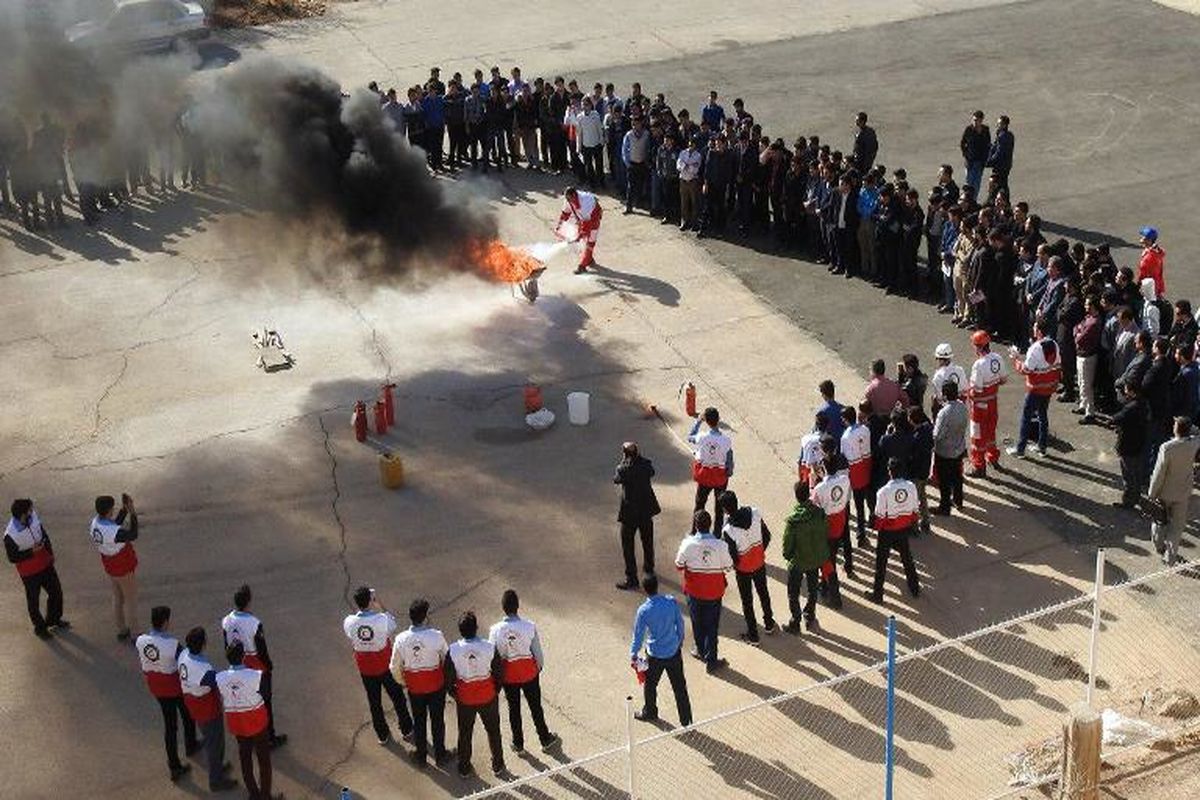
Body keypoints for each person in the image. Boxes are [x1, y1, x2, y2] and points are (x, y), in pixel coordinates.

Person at [489, 590, 559, 752]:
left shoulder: (495, 630)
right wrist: (538, 668)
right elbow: (538, 653)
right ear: (518, 606)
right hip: (529, 673)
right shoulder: (529, 626)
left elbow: (494, 656)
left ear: (503, 608)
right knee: (535, 707)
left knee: (514, 709)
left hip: (509, 676)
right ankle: (544, 738)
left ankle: (518, 743)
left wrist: (497, 677)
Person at [343, 586, 413, 745]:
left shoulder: (349, 622)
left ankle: (382, 734)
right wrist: (378, 603)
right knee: (397, 697)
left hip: (365, 669)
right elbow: (392, 623)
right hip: (384, 666)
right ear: (370, 600)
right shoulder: (381, 620)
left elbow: (352, 633)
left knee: (374, 702)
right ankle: (406, 728)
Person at [136, 606, 199, 782]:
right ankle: (191, 744)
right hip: (174, 686)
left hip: (156, 688)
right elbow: (185, 661)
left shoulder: (141, 640)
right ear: (165, 622)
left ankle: (174, 764)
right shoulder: (172, 644)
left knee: (170, 725)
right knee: (186, 715)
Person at [222, 585, 286, 748]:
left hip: (237, 663)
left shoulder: (226, 620)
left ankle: (248, 736)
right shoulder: (254, 623)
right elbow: (261, 648)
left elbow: (226, 644)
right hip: (256, 665)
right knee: (264, 702)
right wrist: (268, 665)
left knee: (244, 700)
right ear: (249, 602)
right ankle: (268, 737)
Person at [390, 599, 450, 768]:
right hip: (436, 686)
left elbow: (394, 666)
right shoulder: (436, 636)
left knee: (419, 720)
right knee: (437, 720)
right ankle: (441, 755)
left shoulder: (401, 639)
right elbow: (447, 659)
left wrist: (404, 682)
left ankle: (421, 755)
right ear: (425, 618)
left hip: (415, 688)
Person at [179, 627, 239, 793]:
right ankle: (216, 779)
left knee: (210, 738)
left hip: (194, 703)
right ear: (203, 644)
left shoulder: (184, 656)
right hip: (207, 708)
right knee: (215, 742)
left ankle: (217, 768)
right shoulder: (202, 669)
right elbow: (218, 683)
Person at [445, 611, 505, 777]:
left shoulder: (453, 650)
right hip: (487, 695)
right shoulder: (489, 647)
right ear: (477, 628)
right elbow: (499, 673)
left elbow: (448, 679)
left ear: (460, 630)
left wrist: (456, 695)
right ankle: (498, 764)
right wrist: (495, 690)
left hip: (465, 698)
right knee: (493, 730)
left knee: (465, 733)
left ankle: (464, 767)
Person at [217, 643, 278, 800]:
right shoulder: (255, 675)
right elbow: (265, 694)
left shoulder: (220, 677)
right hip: (256, 721)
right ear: (243, 656)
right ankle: (265, 796)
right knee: (263, 760)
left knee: (245, 758)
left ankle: (253, 794)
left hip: (237, 722)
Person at [675, 510, 733, 673]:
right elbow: (728, 567)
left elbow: (679, 564)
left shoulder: (687, 543)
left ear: (696, 526)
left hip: (694, 592)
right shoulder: (721, 546)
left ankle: (700, 650)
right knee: (712, 626)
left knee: (697, 622)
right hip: (714, 592)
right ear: (710, 525)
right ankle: (711, 660)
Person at [630, 575, 692, 726]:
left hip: (655, 655)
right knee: (679, 687)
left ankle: (650, 712)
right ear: (657, 586)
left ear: (645, 590)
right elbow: (680, 623)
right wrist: (679, 640)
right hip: (673, 652)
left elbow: (638, 634)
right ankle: (686, 721)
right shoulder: (671, 602)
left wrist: (633, 653)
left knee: (650, 685)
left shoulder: (643, 611)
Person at [719, 491, 776, 644]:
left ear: (725, 510)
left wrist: (737, 564)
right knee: (763, 593)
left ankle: (753, 635)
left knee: (747, 602)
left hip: (743, 570)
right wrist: (759, 552)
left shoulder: (728, 530)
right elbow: (767, 536)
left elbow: (732, 556)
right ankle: (769, 623)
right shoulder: (755, 513)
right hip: (759, 563)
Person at [5, 499, 68, 639]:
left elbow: (43, 534)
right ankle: (40, 628)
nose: (32, 512)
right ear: (22, 515)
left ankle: (53, 619)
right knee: (33, 601)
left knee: (56, 592)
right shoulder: (10, 535)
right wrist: (31, 552)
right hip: (29, 573)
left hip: (45, 564)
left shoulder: (33, 518)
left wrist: (50, 553)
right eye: (29, 510)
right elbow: (12, 557)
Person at [865, 458, 922, 603]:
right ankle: (914, 587)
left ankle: (878, 594)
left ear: (889, 472)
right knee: (907, 558)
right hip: (903, 528)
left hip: (887, 531)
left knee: (881, 563)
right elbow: (915, 510)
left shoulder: (883, 492)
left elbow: (879, 517)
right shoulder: (911, 486)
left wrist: (875, 528)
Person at [1147, 417, 1200, 565]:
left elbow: (1159, 473)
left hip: (1165, 492)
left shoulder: (1167, 447)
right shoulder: (1194, 443)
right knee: (1177, 527)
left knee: (1159, 521)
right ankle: (1170, 557)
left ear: (1176, 429)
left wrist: (1152, 493)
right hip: (1183, 491)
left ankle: (1159, 546)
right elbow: (1197, 432)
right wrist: (1191, 429)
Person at [89, 492, 139, 641]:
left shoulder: (96, 523)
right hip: (122, 566)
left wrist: (124, 510)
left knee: (118, 598)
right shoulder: (112, 532)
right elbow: (132, 534)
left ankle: (122, 629)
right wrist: (132, 513)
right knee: (131, 600)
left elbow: (115, 525)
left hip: (110, 565)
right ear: (108, 510)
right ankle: (136, 634)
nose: (114, 510)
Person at [1008, 321, 1061, 458]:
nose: (1033, 329)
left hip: (1035, 389)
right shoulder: (1055, 345)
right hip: (1049, 387)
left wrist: (1016, 359)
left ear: (1039, 332)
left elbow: (1026, 370)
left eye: (1035, 328)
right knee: (1043, 415)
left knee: (1026, 417)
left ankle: (1020, 449)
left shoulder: (1035, 348)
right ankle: (1042, 447)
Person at [781, 482, 828, 634]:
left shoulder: (794, 521)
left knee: (793, 593)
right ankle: (810, 615)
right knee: (812, 589)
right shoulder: (819, 513)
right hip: (814, 559)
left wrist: (788, 556)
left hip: (798, 561)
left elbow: (787, 545)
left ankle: (796, 621)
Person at [614, 442, 660, 590]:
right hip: (646, 510)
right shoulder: (646, 464)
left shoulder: (623, 469)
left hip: (629, 512)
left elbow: (616, 479)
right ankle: (649, 569)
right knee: (647, 541)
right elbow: (652, 472)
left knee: (628, 545)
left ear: (625, 454)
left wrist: (623, 461)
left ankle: (632, 578)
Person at [966, 331, 1007, 476]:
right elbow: (1003, 379)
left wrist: (966, 393)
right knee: (990, 433)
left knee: (977, 437)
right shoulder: (997, 358)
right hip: (993, 403)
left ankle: (978, 466)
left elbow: (976, 390)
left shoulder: (979, 364)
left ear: (978, 347)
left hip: (979, 407)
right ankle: (993, 457)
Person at [687, 407, 734, 532]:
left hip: (704, 477)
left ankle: (694, 531)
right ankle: (717, 533)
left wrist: (698, 421)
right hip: (720, 478)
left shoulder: (702, 437)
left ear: (706, 421)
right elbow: (729, 461)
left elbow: (690, 436)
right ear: (718, 420)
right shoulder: (726, 440)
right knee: (719, 508)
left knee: (699, 505)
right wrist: (728, 473)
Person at [812, 458, 852, 600]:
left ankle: (831, 591)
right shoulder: (845, 480)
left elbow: (814, 507)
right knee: (832, 555)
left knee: (827, 559)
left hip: (826, 525)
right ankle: (824, 584)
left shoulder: (819, 488)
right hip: (840, 521)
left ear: (824, 468)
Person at [931, 383, 969, 516]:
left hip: (944, 451)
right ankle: (958, 501)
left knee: (944, 481)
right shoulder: (963, 407)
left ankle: (944, 506)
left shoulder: (944, 412)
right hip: (958, 448)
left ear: (945, 395)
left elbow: (937, 435)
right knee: (957, 476)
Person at [1111, 383, 1149, 509]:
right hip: (1139, 442)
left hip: (1128, 444)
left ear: (1132, 391)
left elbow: (1117, 418)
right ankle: (1136, 496)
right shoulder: (1143, 403)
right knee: (1136, 472)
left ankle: (1129, 501)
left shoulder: (1131, 407)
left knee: (1128, 474)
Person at [840, 405, 873, 547]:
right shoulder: (865, 429)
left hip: (852, 472)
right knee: (862, 504)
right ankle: (862, 533)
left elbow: (844, 458)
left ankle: (847, 534)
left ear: (845, 420)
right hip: (865, 467)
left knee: (848, 504)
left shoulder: (846, 436)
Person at [556, 186, 603, 273]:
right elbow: (565, 213)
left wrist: (580, 235)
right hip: (583, 219)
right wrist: (560, 226)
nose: (568, 201)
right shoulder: (568, 200)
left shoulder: (585, 202)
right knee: (584, 242)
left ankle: (582, 265)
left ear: (574, 195)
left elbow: (587, 223)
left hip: (593, 219)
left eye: (569, 199)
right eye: (567, 199)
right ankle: (589, 259)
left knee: (590, 242)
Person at [1074, 297, 1103, 424]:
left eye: (1087, 304)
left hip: (1088, 356)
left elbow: (1080, 339)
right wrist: (1078, 332)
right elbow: (1076, 327)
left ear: (1093, 306)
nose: (1085, 307)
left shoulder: (1094, 322)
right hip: (1081, 354)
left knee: (1087, 384)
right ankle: (1083, 404)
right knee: (1081, 381)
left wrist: (1078, 333)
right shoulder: (1088, 318)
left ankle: (1089, 412)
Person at [908, 407, 934, 535]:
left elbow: (912, 456)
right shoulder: (927, 430)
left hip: (916, 473)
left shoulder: (916, 438)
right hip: (925, 470)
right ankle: (926, 521)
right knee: (922, 497)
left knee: (915, 500)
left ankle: (915, 526)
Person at [930, 343, 967, 417]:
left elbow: (939, 398)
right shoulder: (960, 370)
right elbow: (965, 388)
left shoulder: (938, 376)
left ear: (941, 359)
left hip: (946, 410)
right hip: (960, 407)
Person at [960, 110, 991, 197]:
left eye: (976, 120)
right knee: (969, 183)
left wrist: (986, 158)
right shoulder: (969, 129)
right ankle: (967, 200)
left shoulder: (985, 130)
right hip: (970, 161)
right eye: (973, 120)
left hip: (980, 161)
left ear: (981, 120)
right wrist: (965, 156)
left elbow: (988, 144)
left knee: (977, 183)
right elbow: (963, 143)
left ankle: (974, 200)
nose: (975, 122)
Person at [985, 115, 1014, 191]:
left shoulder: (1003, 136)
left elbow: (999, 152)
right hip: (1006, 165)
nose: (997, 125)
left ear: (1004, 125)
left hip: (1000, 166)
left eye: (999, 124)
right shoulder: (1008, 135)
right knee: (1003, 184)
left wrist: (989, 162)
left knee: (999, 185)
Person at [1137, 226, 1165, 299]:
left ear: (1149, 240)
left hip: (1150, 288)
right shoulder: (1155, 251)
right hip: (1156, 286)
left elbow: (1143, 272)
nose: (1141, 238)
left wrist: (1138, 284)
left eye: (1143, 237)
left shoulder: (1149, 257)